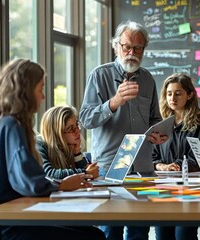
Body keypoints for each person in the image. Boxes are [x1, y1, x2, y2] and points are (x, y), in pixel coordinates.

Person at [0, 59, 105, 240]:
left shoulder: (0, 121)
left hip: (3, 216)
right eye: (40, 89)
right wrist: (62, 185)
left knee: (91, 233)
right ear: (25, 92)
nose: (43, 97)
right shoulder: (11, 125)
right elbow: (28, 181)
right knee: (93, 237)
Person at [79, 20, 165, 240]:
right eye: (127, 47)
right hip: (110, 170)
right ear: (116, 46)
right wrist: (114, 102)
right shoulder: (99, 76)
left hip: (143, 168)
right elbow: (86, 119)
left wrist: (159, 133)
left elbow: (154, 118)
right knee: (111, 231)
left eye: (138, 48)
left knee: (140, 232)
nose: (132, 53)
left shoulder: (147, 79)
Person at [152, 73, 200, 240]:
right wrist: (162, 166)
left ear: (190, 95)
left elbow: (197, 159)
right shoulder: (160, 122)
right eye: (169, 93)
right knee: (163, 235)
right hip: (163, 188)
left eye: (178, 93)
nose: (173, 98)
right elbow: (152, 156)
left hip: (189, 189)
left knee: (183, 235)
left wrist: (175, 165)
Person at [36, 105, 99, 180]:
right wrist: (86, 173)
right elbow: (49, 174)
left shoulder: (69, 145)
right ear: (57, 133)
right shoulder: (39, 144)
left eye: (77, 125)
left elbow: (85, 172)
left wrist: (77, 153)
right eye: (71, 129)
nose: (78, 131)